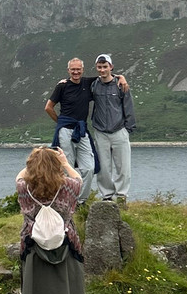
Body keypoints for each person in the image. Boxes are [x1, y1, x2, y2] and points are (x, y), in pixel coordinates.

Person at [15, 146, 86, 294]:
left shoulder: (25, 189)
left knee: (39, 292)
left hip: (34, 245)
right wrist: (64, 163)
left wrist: (34, 161)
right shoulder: (70, 187)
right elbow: (79, 178)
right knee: (67, 291)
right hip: (66, 243)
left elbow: (18, 177)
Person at [44, 58, 128, 204]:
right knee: (67, 167)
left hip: (82, 130)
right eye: (72, 69)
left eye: (78, 69)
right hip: (65, 131)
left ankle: (80, 201)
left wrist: (122, 78)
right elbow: (48, 107)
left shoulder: (88, 83)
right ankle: (68, 201)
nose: (76, 72)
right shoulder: (62, 87)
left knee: (89, 168)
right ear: (68, 70)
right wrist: (61, 122)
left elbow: (106, 75)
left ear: (82, 70)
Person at [90, 54, 136, 202]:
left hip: (119, 131)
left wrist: (128, 128)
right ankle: (107, 196)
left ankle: (121, 196)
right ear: (96, 67)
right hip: (100, 132)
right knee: (103, 168)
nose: (102, 69)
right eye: (99, 67)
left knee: (123, 167)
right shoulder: (93, 85)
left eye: (105, 66)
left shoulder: (121, 85)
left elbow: (128, 106)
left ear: (111, 67)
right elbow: (78, 83)